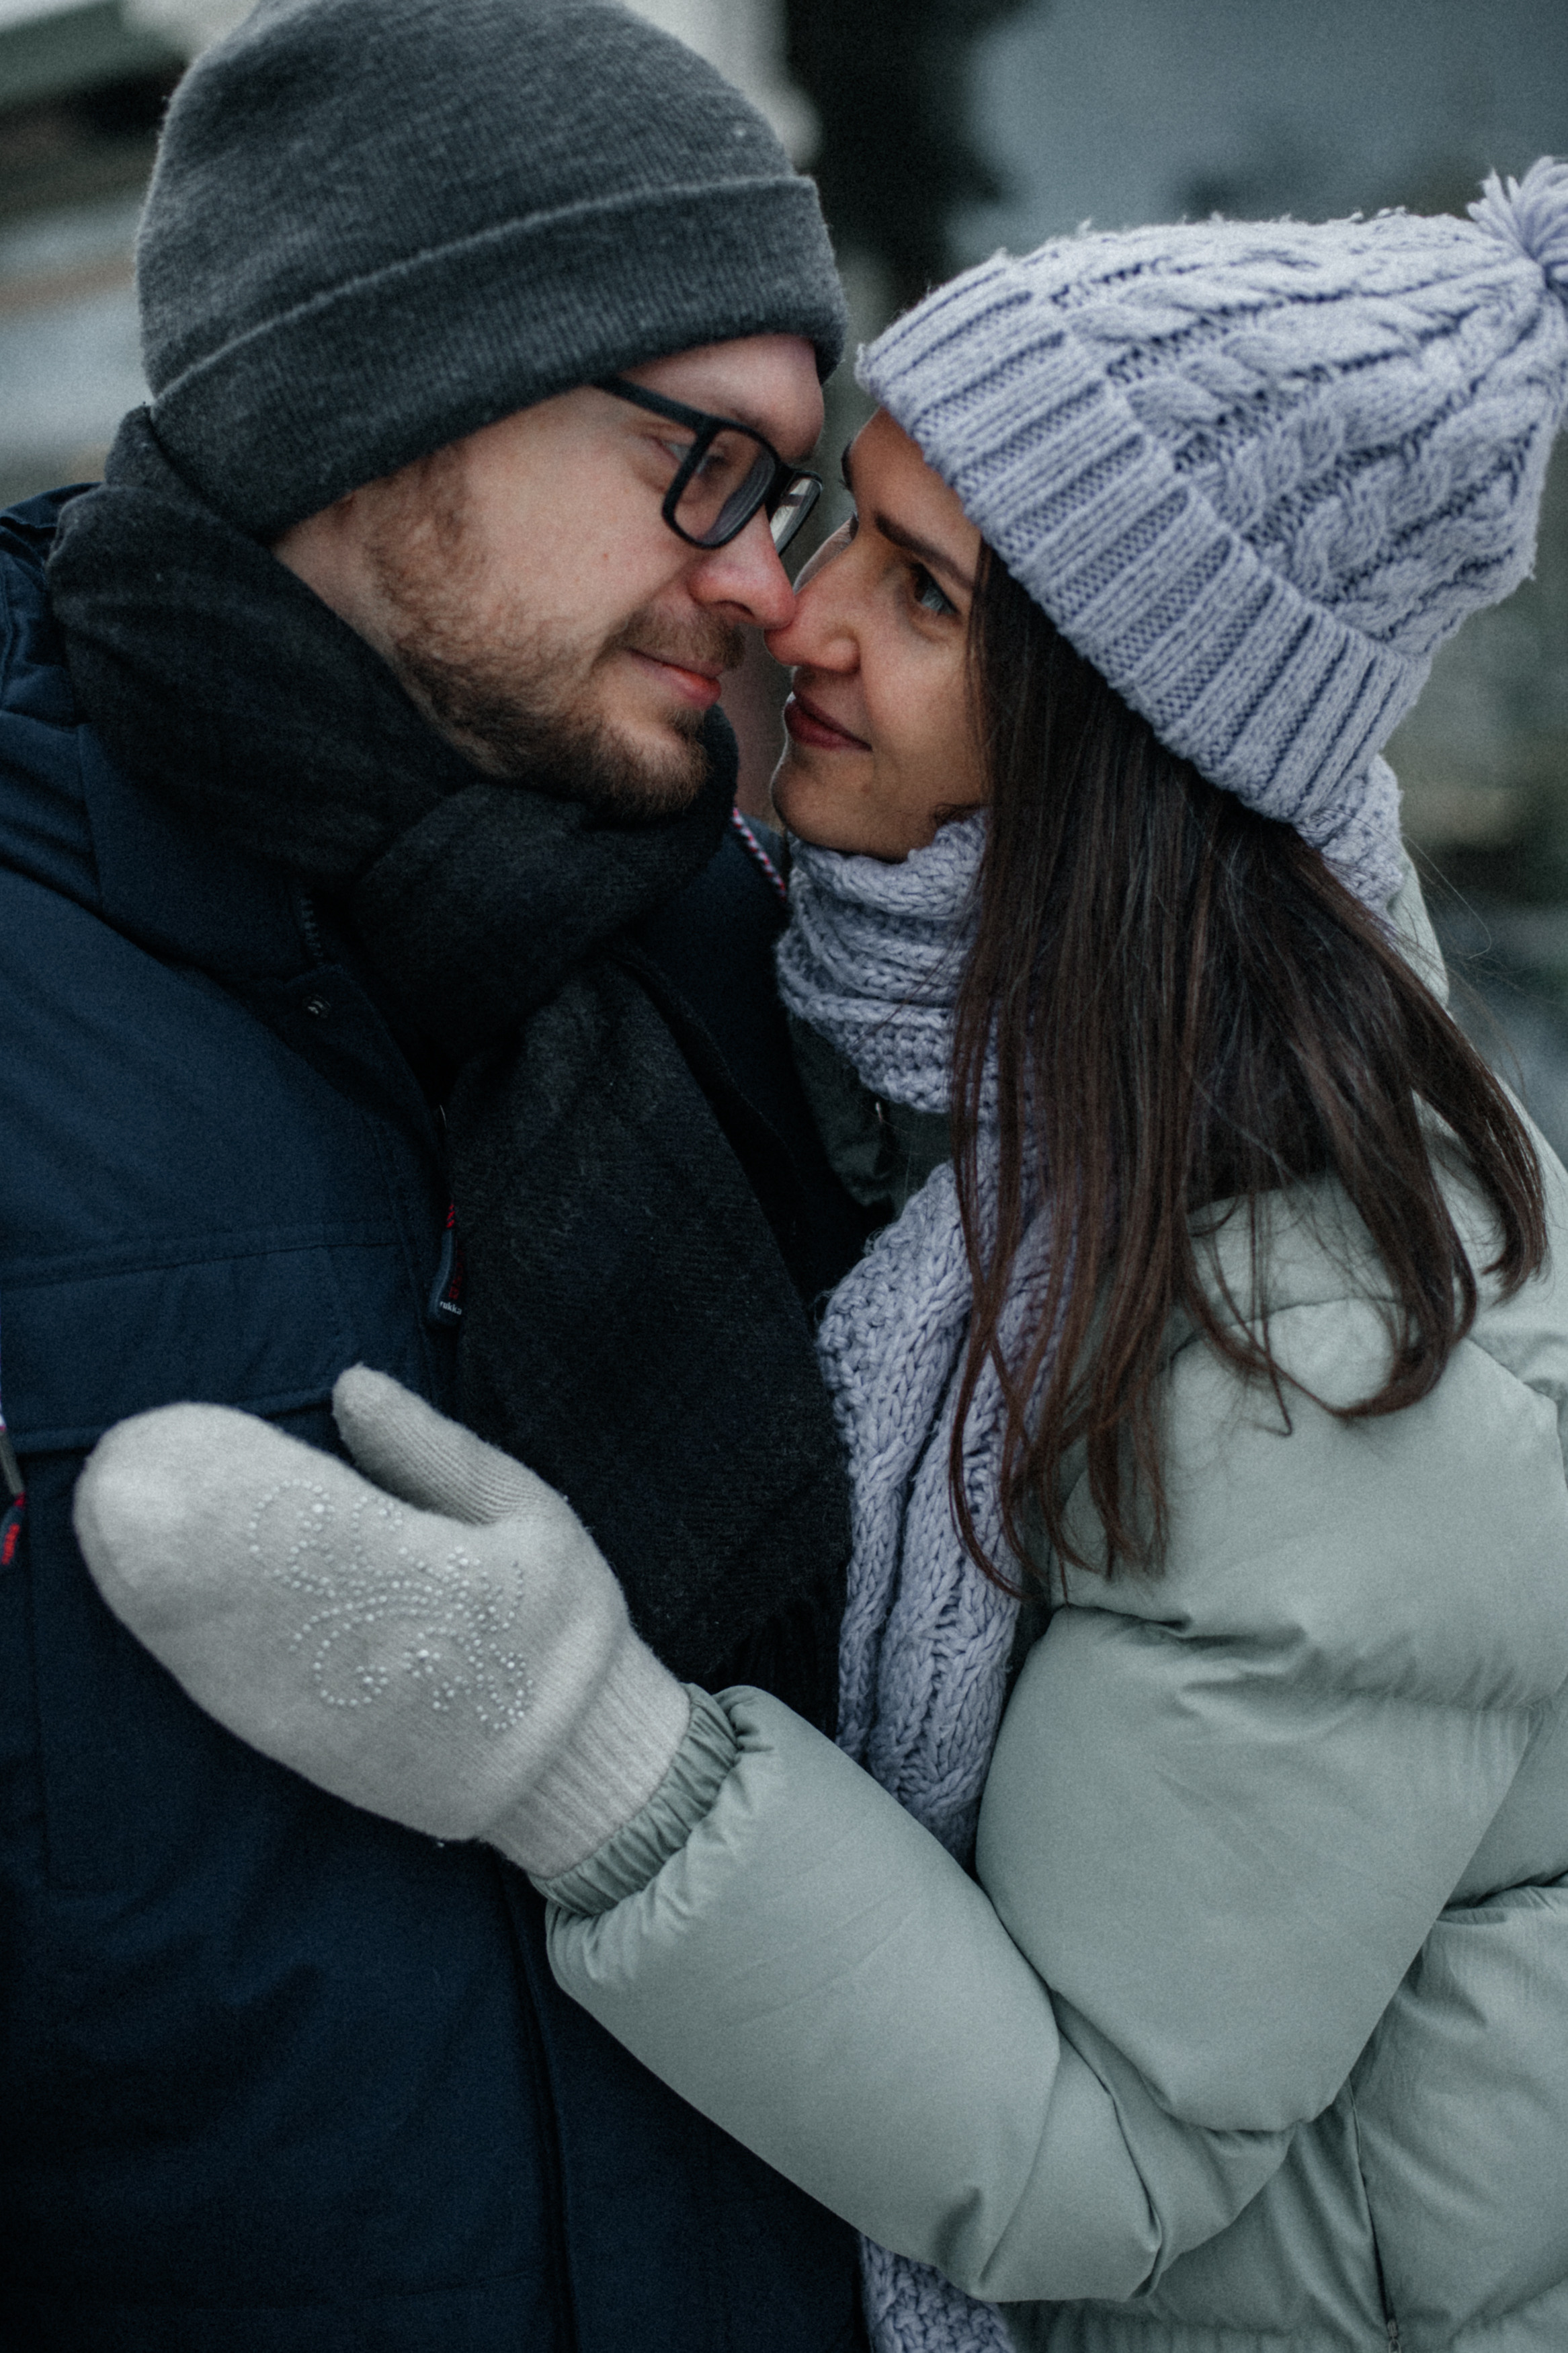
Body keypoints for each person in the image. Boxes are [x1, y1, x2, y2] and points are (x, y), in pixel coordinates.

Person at [69, 161, 1568, 2352]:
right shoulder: (985, 1064)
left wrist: (575, 1750)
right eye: (845, 514)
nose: (803, 609)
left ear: (1130, 739)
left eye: (929, 595)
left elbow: (1106, 2169)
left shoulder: (1316, 1347)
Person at [0, 0, 882, 2344]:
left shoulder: (777, 959)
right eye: (711, 467)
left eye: (794, 500)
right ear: (382, 394)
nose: (768, 585)